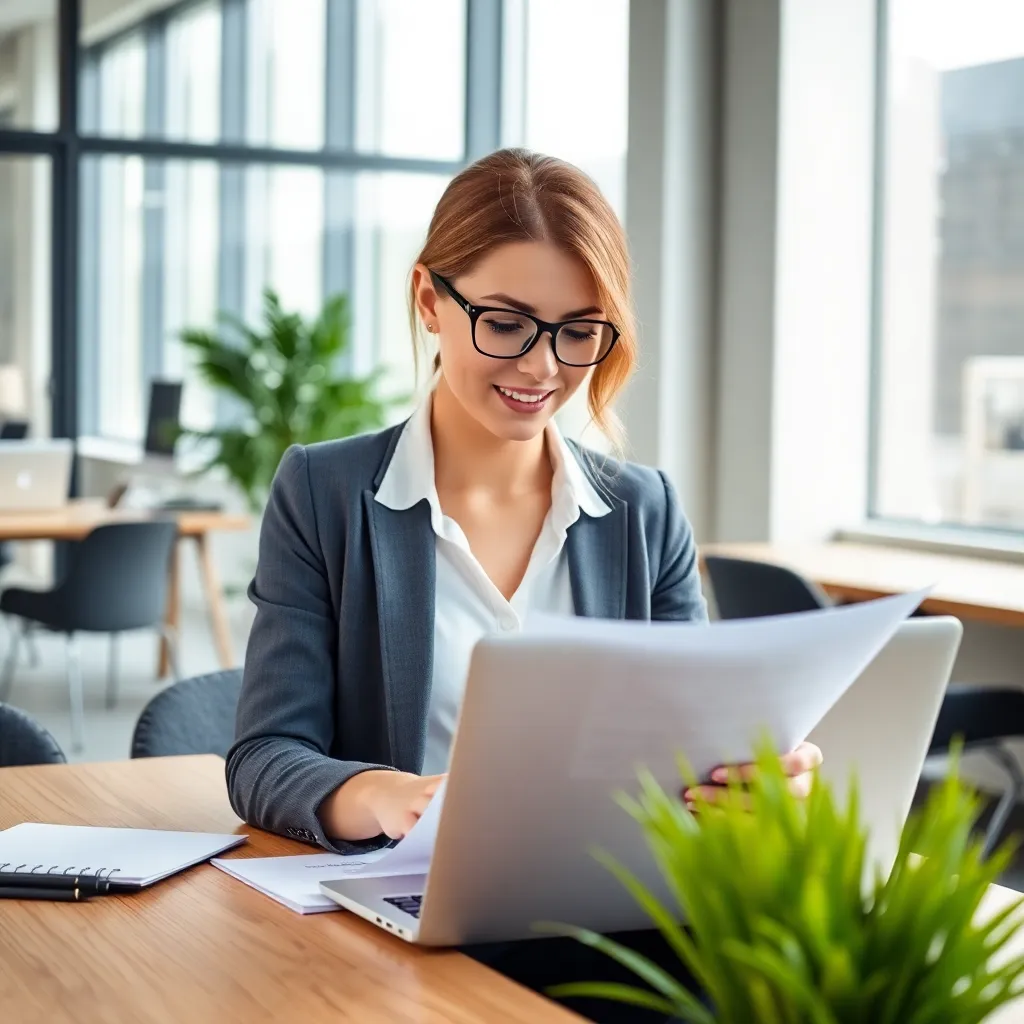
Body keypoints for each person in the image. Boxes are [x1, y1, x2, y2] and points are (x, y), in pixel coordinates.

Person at [226, 147, 822, 1022]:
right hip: (420, 929)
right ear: (431, 301)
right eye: (506, 322)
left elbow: (703, 735)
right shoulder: (326, 493)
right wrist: (394, 798)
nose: (543, 367)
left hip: (627, 914)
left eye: (579, 331)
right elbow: (265, 758)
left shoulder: (641, 509)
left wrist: (759, 779)